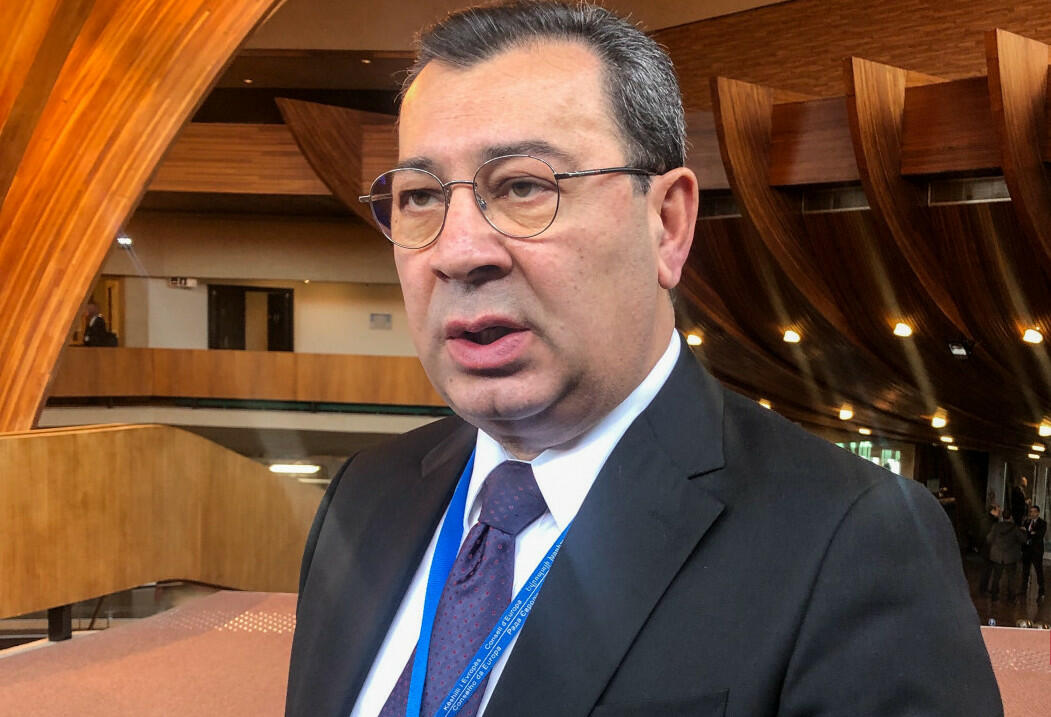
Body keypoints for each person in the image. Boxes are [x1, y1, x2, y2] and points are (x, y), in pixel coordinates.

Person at [286, 3, 1001, 716]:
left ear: (667, 223)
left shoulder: (851, 540)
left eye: (524, 186)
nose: (459, 251)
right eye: (419, 196)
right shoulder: (366, 496)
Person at [1020, 505, 1047, 600]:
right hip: (1027, 550)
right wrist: (1030, 533)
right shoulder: (1027, 522)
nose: (1032, 513)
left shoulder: (1042, 523)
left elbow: (1039, 535)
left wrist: (1028, 532)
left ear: (1038, 513)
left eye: (1034, 511)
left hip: (1037, 551)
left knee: (1039, 570)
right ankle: (1023, 589)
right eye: (1031, 511)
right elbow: (1024, 534)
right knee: (1025, 570)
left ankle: (1041, 591)